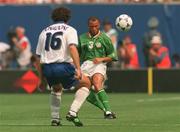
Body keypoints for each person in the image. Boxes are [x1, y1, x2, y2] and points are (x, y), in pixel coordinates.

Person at [36, 7, 92, 127]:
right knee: (86, 83)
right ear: (67, 18)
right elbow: (72, 48)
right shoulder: (70, 30)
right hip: (62, 66)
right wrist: (78, 68)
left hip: (48, 68)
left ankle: (55, 118)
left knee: (56, 88)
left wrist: (41, 79)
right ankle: (72, 112)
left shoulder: (44, 31)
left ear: (53, 18)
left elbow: (38, 58)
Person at [79, 16, 117, 119]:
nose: (94, 28)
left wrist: (101, 59)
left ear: (99, 25)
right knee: (84, 89)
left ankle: (108, 111)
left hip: (99, 65)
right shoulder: (82, 38)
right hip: (86, 65)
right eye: (92, 26)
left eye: (96, 26)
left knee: (96, 83)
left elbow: (113, 56)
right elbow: (77, 54)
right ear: (88, 26)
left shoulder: (105, 38)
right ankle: (105, 110)